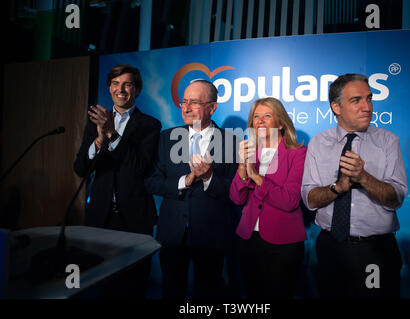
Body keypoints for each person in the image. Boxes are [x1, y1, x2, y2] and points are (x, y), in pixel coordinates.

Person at [301, 73, 408, 299]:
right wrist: (337, 188)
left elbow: (396, 198)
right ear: (336, 107)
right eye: (356, 100)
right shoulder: (319, 143)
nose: (366, 107)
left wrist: (363, 177)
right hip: (331, 247)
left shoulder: (388, 141)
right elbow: (309, 199)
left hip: (374, 252)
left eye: (369, 99)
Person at [74, 64, 161, 298]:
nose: (120, 89)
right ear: (109, 87)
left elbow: (139, 167)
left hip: (134, 219)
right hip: (100, 217)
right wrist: (100, 141)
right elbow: (80, 168)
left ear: (137, 90)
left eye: (127, 84)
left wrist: (112, 134)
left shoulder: (150, 125)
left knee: (132, 286)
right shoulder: (95, 123)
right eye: (115, 83)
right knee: (98, 285)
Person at [146, 79, 238, 299]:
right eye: (184, 101)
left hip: (211, 235)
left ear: (212, 107)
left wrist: (208, 177)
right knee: (171, 290)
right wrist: (185, 181)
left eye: (194, 102)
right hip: (172, 233)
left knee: (207, 292)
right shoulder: (167, 138)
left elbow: (234, 192)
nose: (185, 108)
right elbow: (151, 182)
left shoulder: (232, 142)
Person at [229, 97, 307, 299]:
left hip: (284, 242)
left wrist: (256, 177)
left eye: (267, 116)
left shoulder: (297, 154)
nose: (260, 121)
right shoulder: (249, 152)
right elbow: (237, 199)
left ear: (280, 123)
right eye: (256, 116)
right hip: (249, 240)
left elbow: (290, 200)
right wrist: (242, 168)